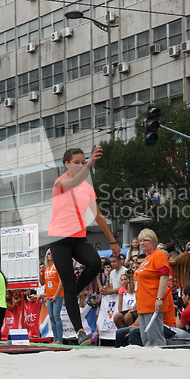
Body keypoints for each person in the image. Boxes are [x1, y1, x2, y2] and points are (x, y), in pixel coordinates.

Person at [48, 146, 121, 346]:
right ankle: (80, 331)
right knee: (69, 283)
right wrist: (90, 164)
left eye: (83, 162)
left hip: (78, 238)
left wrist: (113, 240)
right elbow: (74, 181)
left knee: (95, 263)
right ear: (66, 164)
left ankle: (72, 292)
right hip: (59, 240)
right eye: (77, 162)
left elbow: (97, 215)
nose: (81, 165)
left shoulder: (87, 187)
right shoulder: (61, 182)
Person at [135, 228, 171, 347]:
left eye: (146, 240)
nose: (142, 243)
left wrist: (159, 299)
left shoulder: (159, 255)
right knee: (146, 338)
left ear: (153, 241)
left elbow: (164, 277)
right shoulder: (146, 257)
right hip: (143, 304)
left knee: (155, 338)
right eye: (140, 240)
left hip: (153, 302)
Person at [40, 249, 64, 344]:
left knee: (57, 316)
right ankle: (55, 338)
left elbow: (61, 282)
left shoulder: (58, 266)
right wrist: (38, 272)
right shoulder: (46, 267)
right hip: (49, 295)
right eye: (49, 253)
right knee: (52, 317)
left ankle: (59, 339)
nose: (50, 255)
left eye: (52, 253)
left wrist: (56, 295)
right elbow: (42, 282)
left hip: (58, 294)